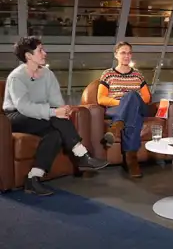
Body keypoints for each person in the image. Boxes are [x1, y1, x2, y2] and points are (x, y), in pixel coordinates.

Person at [3, 36, 109, 196]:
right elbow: (24, 107)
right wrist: (54, 113)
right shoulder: (16, 77)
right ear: (28, 55)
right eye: (40, 50)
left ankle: (33, 179)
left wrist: (63, 110)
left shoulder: (47, 74)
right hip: (14, 117)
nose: (45, 53)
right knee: (55, 118)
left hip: (39, 116)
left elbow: (56, 101)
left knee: (55, 135)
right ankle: (82, 155)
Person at [97, 41, 151, 178]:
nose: (127, 56)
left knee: (132, 96)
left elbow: (146, 97)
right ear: (116, 55)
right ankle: (132, 160)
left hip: (137, 106)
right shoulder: (107, 74)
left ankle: (115, 127)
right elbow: (101, 99)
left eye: (129, 53)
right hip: (115, 108)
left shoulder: (138, 75)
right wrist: (123, 104)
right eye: (123, 53)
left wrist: (130, 101)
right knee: (133, 114)